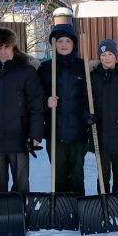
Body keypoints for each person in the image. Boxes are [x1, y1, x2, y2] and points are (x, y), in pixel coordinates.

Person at [0, 27, 44, 194]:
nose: (3, 51)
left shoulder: (26, 71)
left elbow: (36, 104)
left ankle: (21, 214)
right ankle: (3, 215)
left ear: (13, 47)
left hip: (20, 136)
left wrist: (36, 133)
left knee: (21, 184)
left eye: (6, 47)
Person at [37, 23, 89, 196]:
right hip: (55, 132)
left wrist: (89, 115)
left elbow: (89, 97)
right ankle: (62, 211)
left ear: (74, 44)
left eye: (68, 41)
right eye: (60, 41)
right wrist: (46, 101)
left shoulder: (83, 67)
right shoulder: (45, 68)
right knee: (58, 175)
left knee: (76, 173)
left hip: (78, 132)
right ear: (53, 44)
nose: (64, 44)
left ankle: (79, 209)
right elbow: (36, 97)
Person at [89, 39, 118, 193]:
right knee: (102, 175)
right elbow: (85, 102)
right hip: (100, 133)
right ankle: (103, 206)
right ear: (99, 57)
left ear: (116, 55)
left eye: (110, 54)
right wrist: (87, 116)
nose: (107, 58)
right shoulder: (93, 78)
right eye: (103, 54)